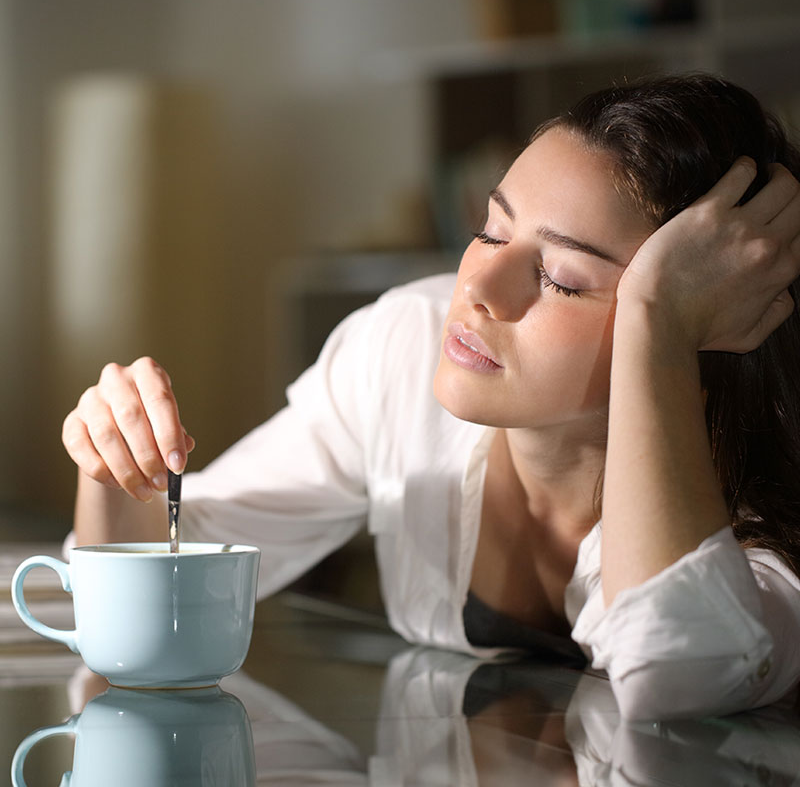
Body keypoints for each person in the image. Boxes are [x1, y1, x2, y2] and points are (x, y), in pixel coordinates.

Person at [61, 73, 800, 720]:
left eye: (561, 279)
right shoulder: (403, 349)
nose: (475, 288)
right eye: (489, 230)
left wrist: (656, 322)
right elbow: (170, 574)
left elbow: (678, 674)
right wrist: (114, 466)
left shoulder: (759, 518)